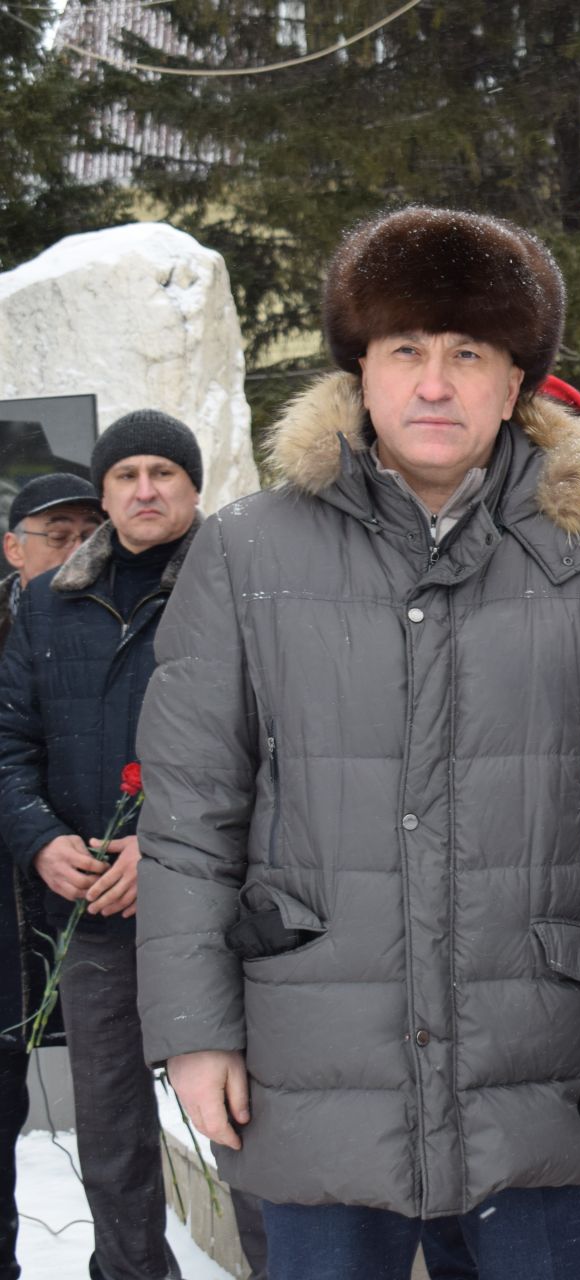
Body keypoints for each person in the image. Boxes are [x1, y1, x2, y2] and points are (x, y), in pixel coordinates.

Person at [132, 206, 580, 1280]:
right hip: (317, 1070)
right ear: (361, 370)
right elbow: (191, 813)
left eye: (468, 355)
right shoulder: (247, 553)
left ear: (516, 381)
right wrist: (194, 1028)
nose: (434, 384)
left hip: (541, 1068)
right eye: (406, 352)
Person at [0, 414, 207, 1280]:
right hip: (92, 913)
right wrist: (41, 839)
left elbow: (278, 747)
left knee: (247, 1126)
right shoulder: (49, 606)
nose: (145, 489)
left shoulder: (238, 590)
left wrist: (162, 849)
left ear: (194, 488)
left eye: (164, 471)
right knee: (110, 1132)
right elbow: (9, 744)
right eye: (126, 475)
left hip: (217, 912)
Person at [0, 471, 102, 1279]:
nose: (75, 549)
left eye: (84, 532)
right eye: (56, 534)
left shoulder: (110, 620)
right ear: (13, 547)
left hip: (93, 905)